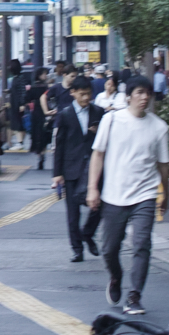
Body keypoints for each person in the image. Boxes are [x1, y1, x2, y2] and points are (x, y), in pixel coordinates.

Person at [86, 78, 169, 314]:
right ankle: (116, 276)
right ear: (129, 96)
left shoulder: (159, 127)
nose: (145, 97)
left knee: (142, 243)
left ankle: (134, 295)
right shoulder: (112, 120)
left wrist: (166, 193)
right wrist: (93, 188)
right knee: (109, 249)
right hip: (113, 194)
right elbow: (98, 155)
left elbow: (163, 165)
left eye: (148, 94)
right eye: (140, 93)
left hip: (145, 194)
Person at [50, 75, 105, 261]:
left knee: (99, 206)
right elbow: (59, 145)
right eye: (82, 94)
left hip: (93, 168)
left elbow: (106, 140)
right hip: (71, 168)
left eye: (89, 94)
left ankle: (88, 233)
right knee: (72, 212)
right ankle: (77, 248)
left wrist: (98, 133)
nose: (85, 98)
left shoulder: (99, 112)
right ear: (73, 93)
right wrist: (57, 174)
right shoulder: (65, 115)